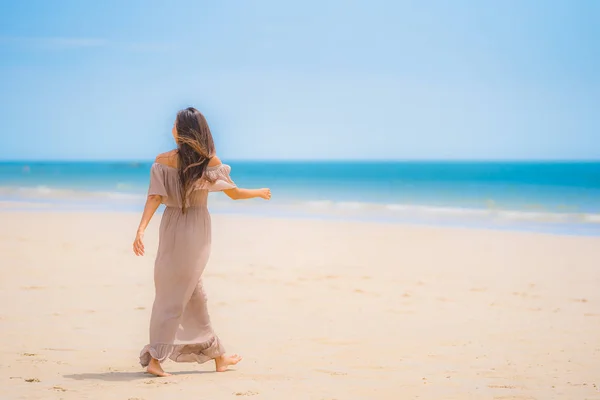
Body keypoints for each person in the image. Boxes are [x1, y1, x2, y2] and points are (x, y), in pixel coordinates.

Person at [133, 107, 271, 377]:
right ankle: (156, 358)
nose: (171, 128)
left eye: (174, 124)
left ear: (184, 131)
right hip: (195, 230)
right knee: (177, 294)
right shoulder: (208, 161)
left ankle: (216, 356)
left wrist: (141, 229)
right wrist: (257, 192)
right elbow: (235, 194)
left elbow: (155, 198)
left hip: (172, 227)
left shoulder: (164, 160)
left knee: (187, 293)